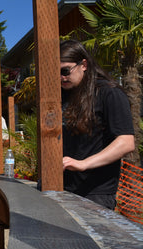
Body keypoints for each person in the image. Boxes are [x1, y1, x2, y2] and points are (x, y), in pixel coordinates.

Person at [60, 40, 135, 210]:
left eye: (65, 71)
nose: (61, 78)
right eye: (55, 72)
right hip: (63, 189)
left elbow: (126, 142)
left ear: (83, 65)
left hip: (96, 194)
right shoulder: (63, 95)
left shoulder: (109, 93)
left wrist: (83, 163)